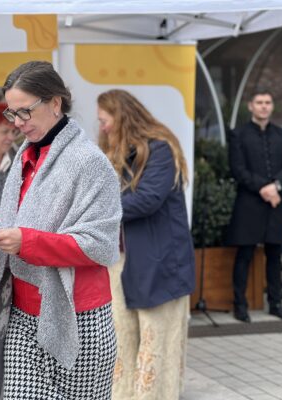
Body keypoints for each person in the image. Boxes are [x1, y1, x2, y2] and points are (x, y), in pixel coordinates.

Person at [0, 61, 122, 400]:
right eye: (12, 113)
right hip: (20, 314)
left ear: (55, 103)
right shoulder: (25, 157)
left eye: (25, 112)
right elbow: (20, 229)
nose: (17, 123)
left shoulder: (90, 162)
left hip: (80, 318)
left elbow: (100, 244)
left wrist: (25, 242)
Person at [97, 89, 195, 400]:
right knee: (121, 339)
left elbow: (148, 199)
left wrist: (96, 211)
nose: (102, 127)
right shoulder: (111, 153)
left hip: (159, 261)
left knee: (157, 341)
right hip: (120, 261)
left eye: (105, 120)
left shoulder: (160, 149)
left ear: (122, 117)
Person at [227, 88, 282, 323]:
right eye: (259, 102)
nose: (264, 106)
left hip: (275, 203)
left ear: (272, 106)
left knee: (275, 255)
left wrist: (275, 186)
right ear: (251, 106)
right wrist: (265, 189)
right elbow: (238, 169)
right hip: (249, 202)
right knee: (244, 254)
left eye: (267, 102)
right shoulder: (238, 134)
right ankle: (240, 304)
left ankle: (276, 303)